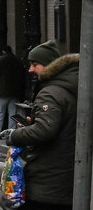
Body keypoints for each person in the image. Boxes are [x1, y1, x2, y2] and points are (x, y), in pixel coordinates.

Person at [6, 40, 78, 210]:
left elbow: (45, 130)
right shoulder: (73, 87)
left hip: (47, 181)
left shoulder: (51, 92)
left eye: (35, 64)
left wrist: (13, 135)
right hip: (69, 177)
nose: (30, 69)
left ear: (49, 66)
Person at [0, 44, 26, 140]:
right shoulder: (17, 61)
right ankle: (11, 133)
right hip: (14, 91)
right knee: (12, 113)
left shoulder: (0, 60)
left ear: (3, 51)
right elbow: (22, 75)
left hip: (2, 91)